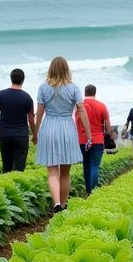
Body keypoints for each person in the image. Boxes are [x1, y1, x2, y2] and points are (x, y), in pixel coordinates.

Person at [35, 56, 92, 213]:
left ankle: (56, 202)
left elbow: (39, 113)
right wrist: (88, 135)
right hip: (67, 127)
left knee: (52, 170)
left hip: (49, 127)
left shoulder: (43, 87)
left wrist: (35, 131)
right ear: (67, 69)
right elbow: (81, 111)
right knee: (65, 172)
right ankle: (64, 203)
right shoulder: (73, 88)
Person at [0, 68, 35, 172]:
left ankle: (6, 187)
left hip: (5, 135)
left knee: (6, 165)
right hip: (21, 136)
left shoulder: (1, 94)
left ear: (11, 79)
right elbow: (31, 119)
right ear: (23, 80)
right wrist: (35, 134)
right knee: (19, 167)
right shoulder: (27, 97)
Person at [77, 84, 111, 195]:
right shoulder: (101, 106)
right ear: (95, 93)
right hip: (97, 141)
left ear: (85, 92)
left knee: (86, 165)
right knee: (94, 165)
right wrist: (106, 134)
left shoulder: (79, 106)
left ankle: (88, 190)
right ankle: (94, 191)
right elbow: (108, 127)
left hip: (82, 140)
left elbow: (76, 123)